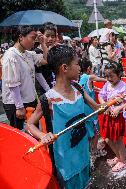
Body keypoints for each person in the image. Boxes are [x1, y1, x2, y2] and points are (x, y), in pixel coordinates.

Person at [26, 45, 101, 189]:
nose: (80, 67)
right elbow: (30, 124)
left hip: (83, 154)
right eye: (77, 64)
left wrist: (112, 103)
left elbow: (97, 109)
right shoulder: (49, 99)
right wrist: (42, 135)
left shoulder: (79, 89)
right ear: (64, 68)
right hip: (64, 162)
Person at [1, 26, 48, 130]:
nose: (34, 42)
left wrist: (43, 44)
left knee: (33, 130)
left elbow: (45, 60)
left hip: (29, 99)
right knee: (20, 133)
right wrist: (19, 107)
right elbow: (13, 84)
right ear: (21, 37)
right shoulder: (11, 55)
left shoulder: (28, 54)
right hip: (16, 103)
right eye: (32, 38)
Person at [98, 62, 126, 172]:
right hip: (108, 116)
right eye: (106, 76)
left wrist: (118, 108)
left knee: (118, 140)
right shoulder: (107, 85)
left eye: (111, 76)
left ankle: (123, 161)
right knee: (108, 138)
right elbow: (101, 96)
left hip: (118, 117)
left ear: (119, 74)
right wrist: (105, 105)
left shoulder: (125, 87)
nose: (108, 78)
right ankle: (118, 156)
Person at [78, 58, 107, 160]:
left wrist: (96, 89)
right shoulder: (88, 77)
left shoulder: (79, 78)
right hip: (91, 109)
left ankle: (89, 150)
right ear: (89, 68)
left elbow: (85, 89)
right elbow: (101, 79)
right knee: (95, 132)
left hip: (82, 110)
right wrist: (111, 79)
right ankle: (94, 152)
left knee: (87, 130)